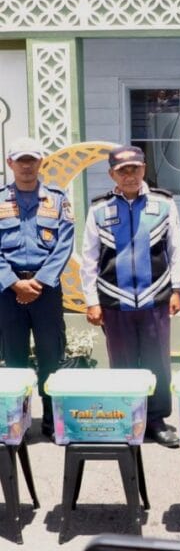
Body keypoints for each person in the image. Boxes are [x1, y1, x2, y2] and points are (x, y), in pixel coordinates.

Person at [81, 145, 180, 448]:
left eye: (135, 169)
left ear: (144, 169)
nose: (130, 175)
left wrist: (177, 289)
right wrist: (91, 300)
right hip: (114, 299)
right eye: (123, 170)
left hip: (156, 296)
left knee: (157, 360)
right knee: (122, 361)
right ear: (112, 173)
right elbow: (89, 257)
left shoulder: (164, 203)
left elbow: (176, 248)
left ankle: (156, 420)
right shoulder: (99, 208)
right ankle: (127, 417)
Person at [0, 138, 74, 439]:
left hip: (46, 289)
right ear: (10, 164)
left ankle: (51, 420)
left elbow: (65, 244)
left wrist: (40, 281)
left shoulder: (57, 199)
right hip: (8, 289)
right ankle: (17, 419)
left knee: (50, 354)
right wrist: (13, 282)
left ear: (41, 162)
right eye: (21, 160)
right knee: (13, 355)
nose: (27, 165)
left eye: (32, 159)